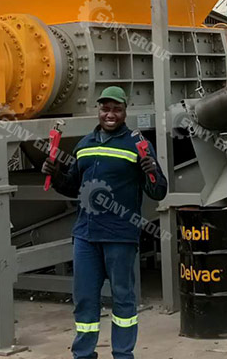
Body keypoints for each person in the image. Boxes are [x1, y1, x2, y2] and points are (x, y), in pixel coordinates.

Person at [42, 85, 168, 359]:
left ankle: (123, 354)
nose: (110, 114)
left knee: (123, 298)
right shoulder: (84, 145)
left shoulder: (137, 145)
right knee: (85, 299)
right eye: (105, 109)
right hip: (85, 236)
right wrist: (56, 174)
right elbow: (72, 186)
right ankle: (83, 354)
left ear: (125, 112)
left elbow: (158, 191)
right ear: (98, 110)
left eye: (116, 109)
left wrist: (152, 171)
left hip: (120, 235)